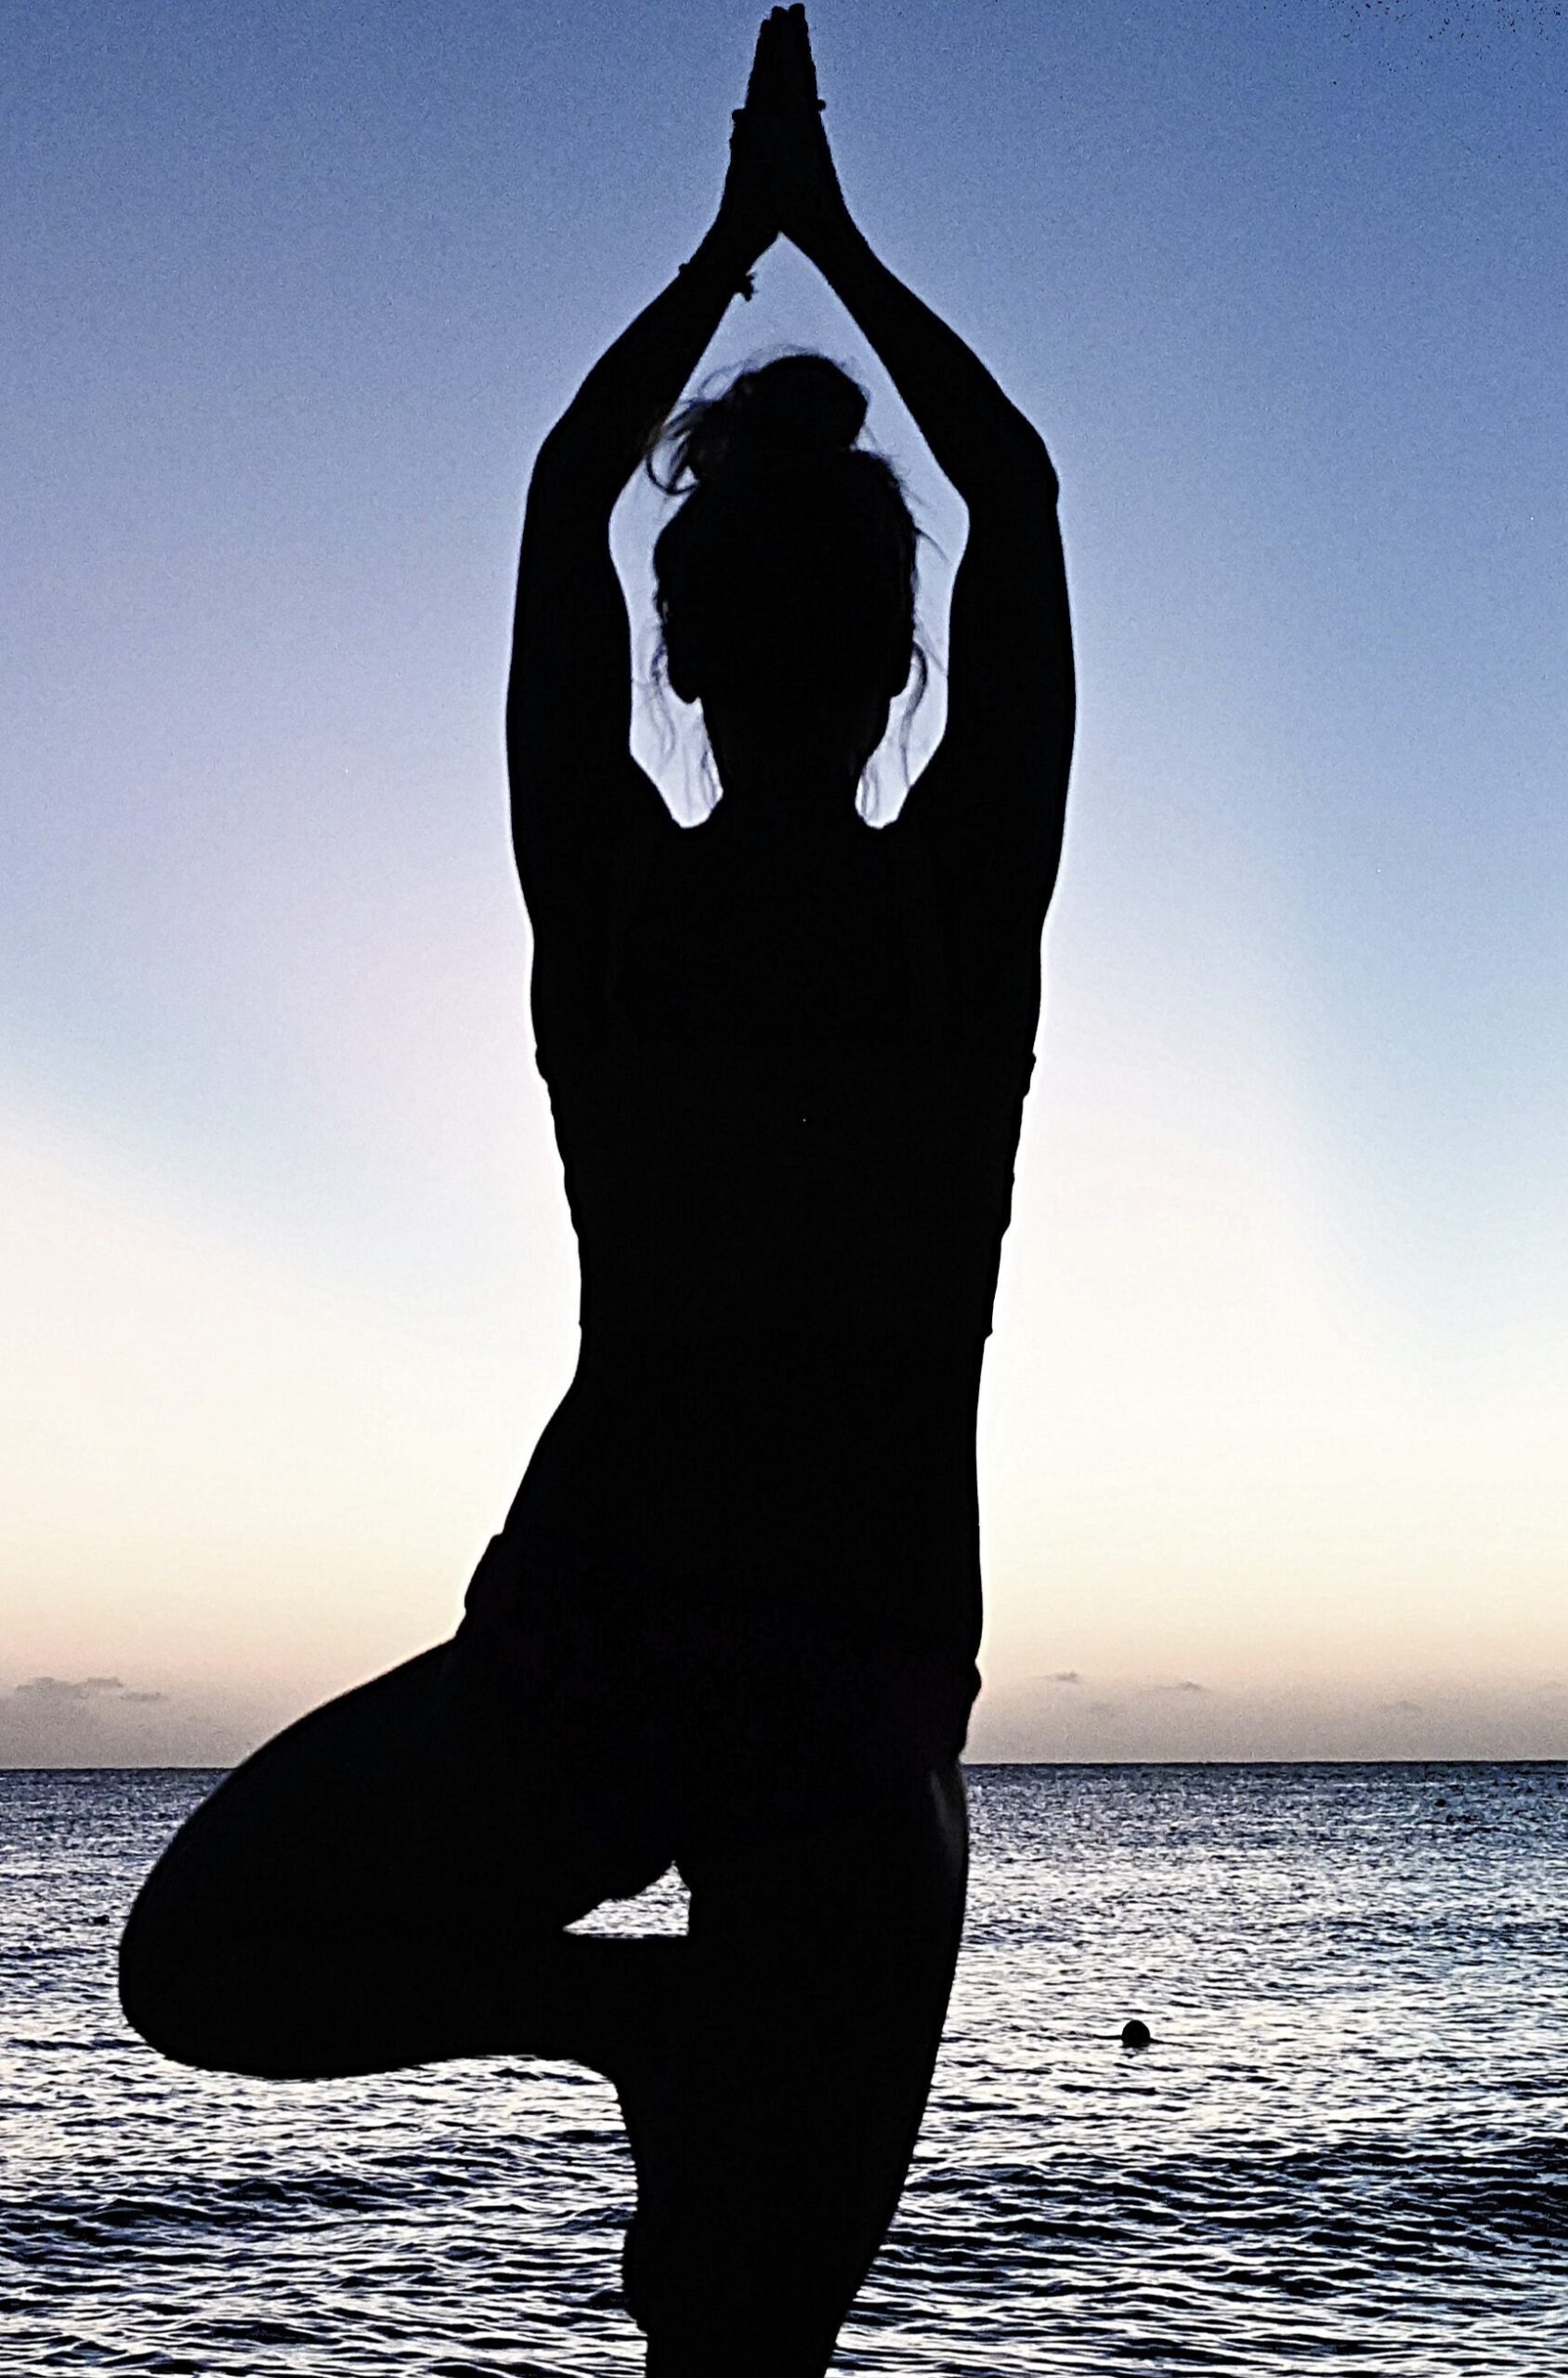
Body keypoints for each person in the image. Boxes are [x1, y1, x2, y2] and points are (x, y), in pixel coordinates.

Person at [116, 10, 1073, 2371]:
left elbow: (562, 495)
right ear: (895, 658)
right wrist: (827, 241)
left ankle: (613, 2025)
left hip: (622, 1646)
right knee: (740, 2350)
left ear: (684, 646)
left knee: (201, 1958)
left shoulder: (620, 926)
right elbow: (1021, 500)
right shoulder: (952, 931)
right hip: (836, 1691)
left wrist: (730, 243)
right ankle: (645, 2039)